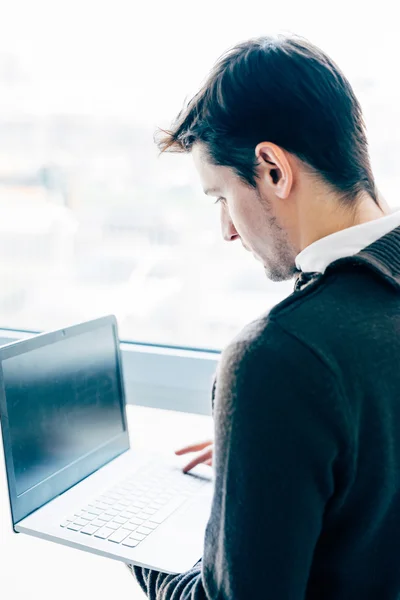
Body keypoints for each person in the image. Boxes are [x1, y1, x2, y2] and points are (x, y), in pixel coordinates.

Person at [127, 34, 400, 598]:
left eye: (222, 196)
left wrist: (139, 553)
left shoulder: (283, 357)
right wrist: (272, 443)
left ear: (273, 169)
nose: (227, 230)